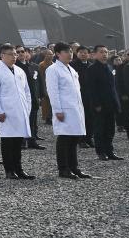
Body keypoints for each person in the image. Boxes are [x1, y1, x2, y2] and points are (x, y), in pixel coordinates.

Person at [0, 44, 34, 179]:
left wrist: (28, 108)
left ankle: (19, 169)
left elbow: (27, 91)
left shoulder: (19, 70)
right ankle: (9, 170)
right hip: (6, 112)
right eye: (10, 54)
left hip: (20, 111)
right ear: (2, 56)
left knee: (18, 142)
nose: (14, 57)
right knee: (8, 142)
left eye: (15, 54)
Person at [45, 42, 91, 180]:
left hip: (75, 108)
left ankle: (74, 167)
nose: (70, 53)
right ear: (58, 54)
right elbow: (52, 91)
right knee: (65, 138)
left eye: (71, 51)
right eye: (66, 51)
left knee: (74, 138)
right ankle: (63, 168)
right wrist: (57, 110)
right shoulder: (53, 69)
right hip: (64, 108)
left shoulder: (71, 69)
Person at [85, 44, 122, 161]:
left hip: (111, 103)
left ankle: (109, 151)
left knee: (110, 129)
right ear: (94, 54)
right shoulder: (92, 69)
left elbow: (113, 88)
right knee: (100, 129)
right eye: (101, 52)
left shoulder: (109, 67)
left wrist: (117, 103)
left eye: (106, 52)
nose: (104, 54)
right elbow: (91, 89)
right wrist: (96, 104)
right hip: (100, 105)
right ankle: (101, 152)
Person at [15, 46, 44, 149]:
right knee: (22, 119)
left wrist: (41, 95)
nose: (21, 53)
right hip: (21, 98)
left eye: (22, 51)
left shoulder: (33, 66)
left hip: (33, 97)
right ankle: (21, 141)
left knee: (33, 119)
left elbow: (39, 81)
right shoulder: (14, 67)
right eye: (17, 52)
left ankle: (32, 140)